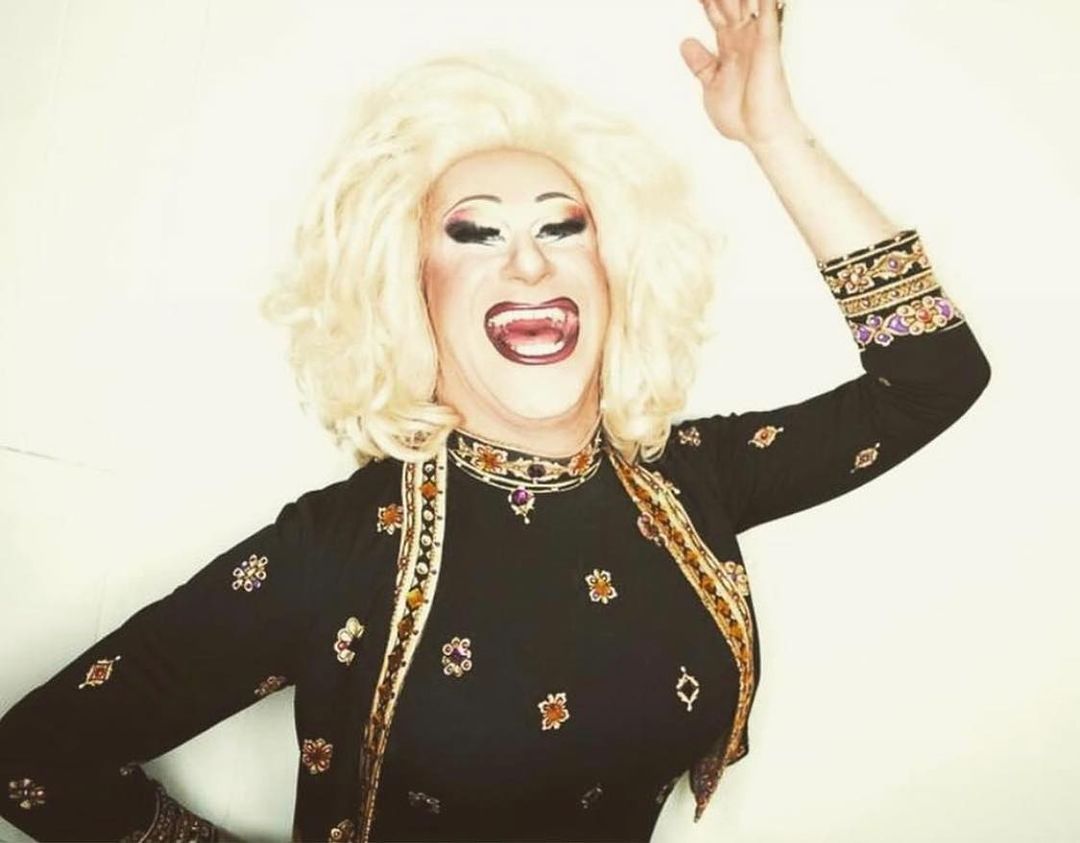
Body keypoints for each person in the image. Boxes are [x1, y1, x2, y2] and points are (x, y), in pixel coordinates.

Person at [0, 1, 991, 841]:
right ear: (410, 289)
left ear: (615, 270)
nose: (529, 261)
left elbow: (934, 376)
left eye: (565, 227)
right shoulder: (339, 548)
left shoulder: (694, 479)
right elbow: (34, 761)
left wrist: (772, 135)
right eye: (475, 234)